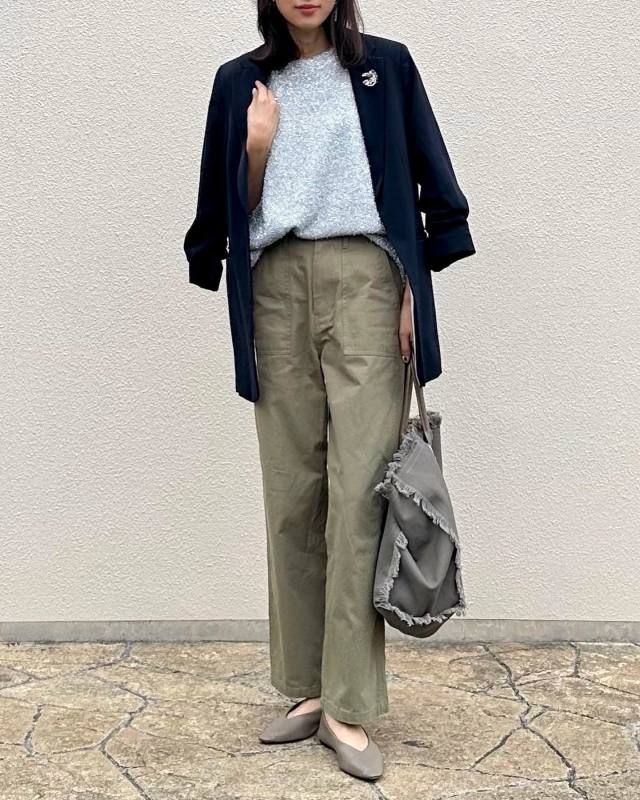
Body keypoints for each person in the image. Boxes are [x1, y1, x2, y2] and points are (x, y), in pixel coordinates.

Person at [183, 0, 475, 782]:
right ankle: (308, 689)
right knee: (292, 495)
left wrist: (413, 285)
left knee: (358, 496)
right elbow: (226, 209)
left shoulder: (386, 68)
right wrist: (255, 149)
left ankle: (349, 701)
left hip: (366, 283)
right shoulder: (239, 84)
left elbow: (430, 182)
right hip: (274, 287)